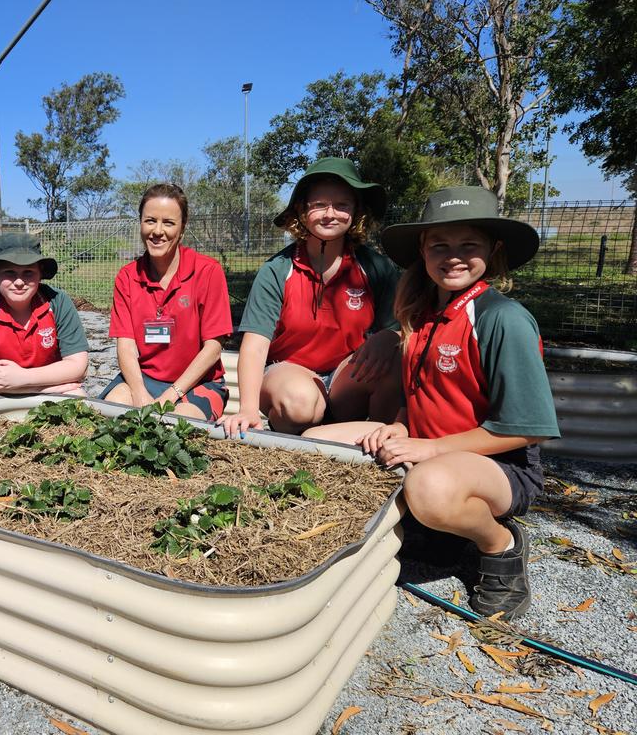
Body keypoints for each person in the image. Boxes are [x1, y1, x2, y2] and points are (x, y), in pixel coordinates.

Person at [305, 186, 560, 619]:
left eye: (468, 245)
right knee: (314, 444)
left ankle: (500, 545)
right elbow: (420, 393)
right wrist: (402, 426)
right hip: (428, 446)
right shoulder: (420, 315)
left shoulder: (502, 319)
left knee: (429, 487)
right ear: (422, 251)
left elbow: (528, 427)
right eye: (440, 245)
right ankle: (431, 532)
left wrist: (432, 448)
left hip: (501, 466)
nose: (453, 256)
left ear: (493, 251)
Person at [219, 157, 401, 438]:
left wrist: (389, 337)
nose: (331, 213)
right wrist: (247, 409)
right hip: (290, 372)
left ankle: (381, 436)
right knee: (299, 403)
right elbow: (255, 347)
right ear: (302, 211)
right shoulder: (278, 270)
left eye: (342, 205)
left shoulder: (375, 268)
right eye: (319, 205)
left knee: (394, 360)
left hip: (346, 377)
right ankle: (305, 433)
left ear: (355, 212)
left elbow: (403, 325)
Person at [100, 183, 233, 420]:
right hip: (145, 380)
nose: (158, 231)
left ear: (182, 228)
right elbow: (126, 346)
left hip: (197, 383)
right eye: (150, 220)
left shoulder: (207, 272)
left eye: (168, 223)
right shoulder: (127, 277)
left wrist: (170, 395)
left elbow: (213, 349)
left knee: (171, 427)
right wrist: (140, 393)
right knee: (113, 412)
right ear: (140, 223)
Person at [0, 232, 88, 399]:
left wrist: (24, 379)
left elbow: (78, 366)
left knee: (77, 396)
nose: (19, 282)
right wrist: (30, 389)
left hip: (48, 386)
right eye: (9, 272)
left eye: (28, 272)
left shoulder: (57, 302)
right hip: (2, 390)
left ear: (40, 273)